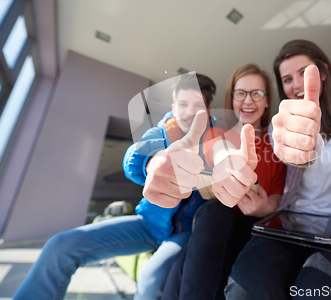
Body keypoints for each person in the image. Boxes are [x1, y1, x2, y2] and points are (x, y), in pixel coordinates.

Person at [225, 40, 331, 300]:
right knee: (247, 288)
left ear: (324, 72)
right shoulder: (280, 127)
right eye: (287, 78)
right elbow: (290, 154)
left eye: (303, 72)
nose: (295, 84)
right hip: (288, 223)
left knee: (318, 291)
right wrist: (300, 150)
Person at [14, 74, 216, 300]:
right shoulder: (163, 131)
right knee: (59, 246)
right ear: (173, 107)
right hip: (149, 223)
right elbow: (136, 153)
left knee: (150, 281)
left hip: (186, 231)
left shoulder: (218, 140)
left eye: (197, 105)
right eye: (183, 104)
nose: (189, 111)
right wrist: (152, 161)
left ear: (207, 110)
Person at [162, 64, 287, 300]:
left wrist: (265, 207)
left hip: (260, 230)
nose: (248, 101)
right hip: (218, 228)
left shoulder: (278, 145)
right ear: (232, 98)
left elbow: (277, 196)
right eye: (240, 93)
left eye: (256, 93)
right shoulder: (217, 133)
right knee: (212, 214)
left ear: (267, 100)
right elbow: (215, 154)